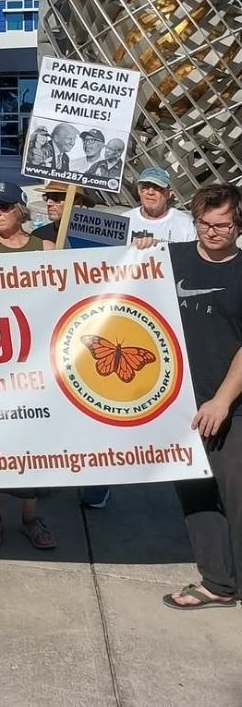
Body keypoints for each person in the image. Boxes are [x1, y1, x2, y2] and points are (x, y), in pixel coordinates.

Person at [137, 183, 242, 612]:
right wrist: (139, 250)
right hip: (176, 403)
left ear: (238, 225)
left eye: (222, 225)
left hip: (229, 405)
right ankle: (218, 581)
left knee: (236, 494)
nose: (211, 232)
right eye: (204, 223)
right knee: (195, 494)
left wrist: (221, 401)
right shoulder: (171, 258)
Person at [0, 182, 57, 549]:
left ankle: (31, 516)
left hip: (33, 358)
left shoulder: (46, 248)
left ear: (21, 210)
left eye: (4, 206)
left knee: (33, 439)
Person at [125, 167, 196, 243]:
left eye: (157, 188)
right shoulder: (124, 221)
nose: (150, 192)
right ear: (139, 191)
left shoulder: (185, 224)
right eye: (145, 187)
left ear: (169, 193)